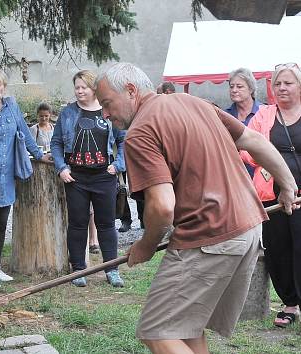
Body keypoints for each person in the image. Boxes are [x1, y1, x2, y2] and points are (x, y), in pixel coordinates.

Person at [95, 62, 297, 354]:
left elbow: (163, 207)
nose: (105, 113)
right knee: (184, 328)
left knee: (156, 330)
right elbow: (253, 140)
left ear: (130, 90)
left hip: (211, 235)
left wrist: (146, 245)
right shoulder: (193, 102)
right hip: (249, 228)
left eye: (106, 103)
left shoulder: (139, 132)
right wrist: (288, 184)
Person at [0, 69, 50, 288]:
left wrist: (41, 155)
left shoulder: (12, 107)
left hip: (5, 174)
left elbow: (23, 133)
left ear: (4, 86)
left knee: (1, 223)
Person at [51, 70, 126, 288]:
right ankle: (78, 270)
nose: (80, 90)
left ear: (94, 89)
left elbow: (124, 140)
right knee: (77, 224)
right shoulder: (68, 113)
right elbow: (56, 143)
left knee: (106, 224)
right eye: (77, 87)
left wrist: (118, 164)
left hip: (104, 176)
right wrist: (61, 167)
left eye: (84, 86)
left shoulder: (108, 111)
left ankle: (111, 269)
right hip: (76, 177)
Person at [241, 63, 301, 328]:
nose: (282, 88)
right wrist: (262, 163)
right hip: (271, 198)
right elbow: (244, 147)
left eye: (288, 83)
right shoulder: (264, 115)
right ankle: (289, 303)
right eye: (278, 83)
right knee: (278, 250)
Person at [227, 68, 263, 177]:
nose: (234, 90)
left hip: (261, 177)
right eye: (231, 86)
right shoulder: (224, 116)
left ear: (251, 89)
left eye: (239, 86)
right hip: (234, 175)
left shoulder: (264, 113)